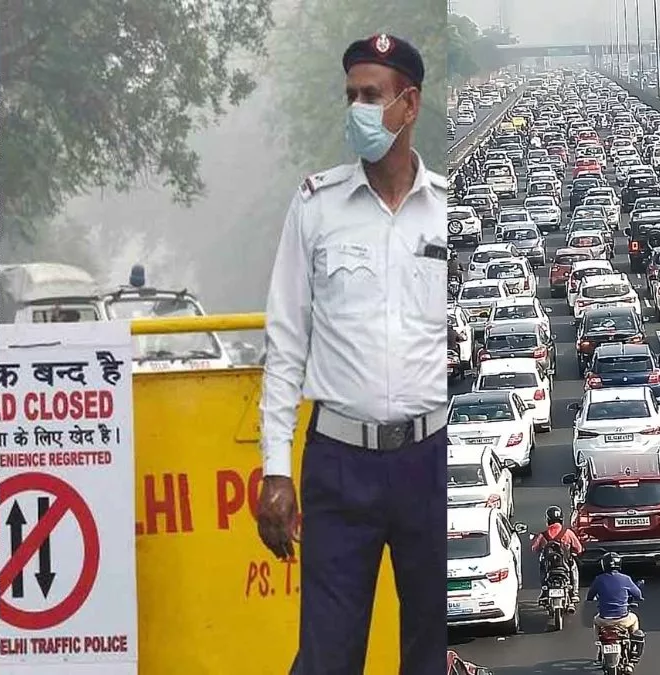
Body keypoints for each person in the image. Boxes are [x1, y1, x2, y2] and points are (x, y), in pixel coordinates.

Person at [258, 33, 447, 675]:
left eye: (372, 96)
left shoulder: (446, 211)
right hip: (338, 465)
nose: (358, 110)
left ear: (409, 105)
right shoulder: (316, 206)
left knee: (428, 648)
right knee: (328, 655)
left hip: (431, 461)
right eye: (351, 97)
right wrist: (275, 471)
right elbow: (285, 342)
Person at [587, 552, 646, 671]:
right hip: (623, 620)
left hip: (604, 621)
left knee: (595, 620)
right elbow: (638, 594)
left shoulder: (599, 579)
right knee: (634, 620)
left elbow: (590, 595)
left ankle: (599, 645)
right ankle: (632, 654)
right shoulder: (626, 579)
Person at [530, 505, 582, 602]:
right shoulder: (568, 533)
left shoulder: (543, 535)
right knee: (574, 568)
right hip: (565, 565)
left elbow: (534, 549)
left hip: (549, 567)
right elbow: (579, 549)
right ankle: (574, 592)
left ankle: (544, 590)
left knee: (541, 566)